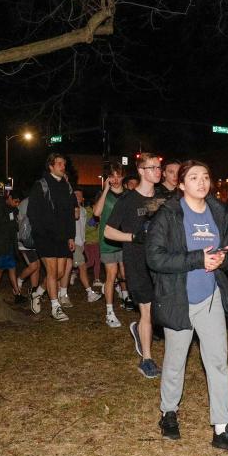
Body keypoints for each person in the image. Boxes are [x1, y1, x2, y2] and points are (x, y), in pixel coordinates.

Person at [146, 160, 228, 452]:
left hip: (210, 296)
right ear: (181, 184)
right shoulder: (169, 214)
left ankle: (222, 428)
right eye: (193, 177)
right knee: (176, 359)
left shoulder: (219, 212)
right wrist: (197, 259)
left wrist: (222, 260)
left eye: (205, 176)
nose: (202, 182)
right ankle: (168, 413)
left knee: (217, 361)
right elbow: (154, 258)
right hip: (179, 297)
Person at [106, 152, 171, 378]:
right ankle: (147, 359)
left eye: (158, 167)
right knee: (148, 309)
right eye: (152, 167)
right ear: (141, 171)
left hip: (162, 260)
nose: (157, 171)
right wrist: (133, 237)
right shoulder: (128, 200)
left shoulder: (163, 197)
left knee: (162, 309)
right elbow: (108, 231)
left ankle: (139, 330)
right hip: (137, 260)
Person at [26, 153, 77, 321]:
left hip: (62, 237)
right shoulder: (40, 185)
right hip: (45, 237)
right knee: (53, 272)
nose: (63, 166)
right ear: (51, 166)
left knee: (60, 272)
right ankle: (56, 307)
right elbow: (32, 213)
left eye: (64, 163)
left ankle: (38, 293)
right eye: (59, 163)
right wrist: (41, 232)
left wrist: (71, 236)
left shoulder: (67, 187)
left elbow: (70, 214)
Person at [94, 162, 127, 328]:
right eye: (112, 176)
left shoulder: (128, 194)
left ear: (123, 176)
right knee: (111, 275)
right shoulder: (104, 195)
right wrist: (105, 188)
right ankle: (109, 312)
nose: (115, 179)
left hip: (125, 240)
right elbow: (96, 213)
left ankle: (124, 294)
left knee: (125, 274)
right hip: (108, 241)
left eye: (118, 175)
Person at [0, 189, 21, 301]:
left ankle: (17, 292)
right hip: (1, 243)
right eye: (15, 201)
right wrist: (10, 223)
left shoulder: (13, 209)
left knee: (11, 267)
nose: (16, 204)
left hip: (9, 244)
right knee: (2, 268)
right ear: (9, 197)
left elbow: (15, 225)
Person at [71, 189, 102, 303]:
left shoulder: (83, 211)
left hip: (81, 243)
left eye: (80, 195)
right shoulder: (69, 209)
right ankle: (90, 293)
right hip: (73, 243)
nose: (78, 196)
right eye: (76, 194)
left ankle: (61, 292)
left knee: (65, 269)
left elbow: (86, 227)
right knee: (83, 266)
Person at [15, 195, 43, 311]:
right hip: (25, 241)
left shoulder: (38, 201)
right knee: (34, 265)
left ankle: (33, 290)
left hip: (34, 241)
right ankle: (19, 280)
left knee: (37, 266)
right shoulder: (26, 203)